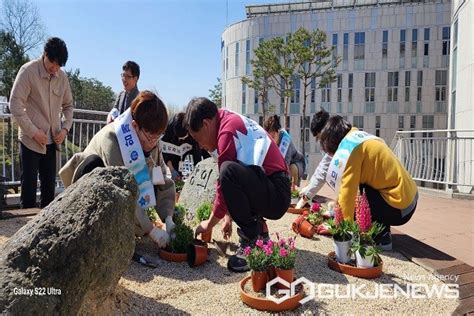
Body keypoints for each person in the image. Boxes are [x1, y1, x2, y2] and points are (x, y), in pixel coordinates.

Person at [184, 97, 290, 272]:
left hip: (277, 194)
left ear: (206, 124)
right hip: (272, 186)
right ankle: (260, 233)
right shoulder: (226, 118)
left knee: (228, 171)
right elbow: (243, 177)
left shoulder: (226, 133)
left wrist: (209, 224)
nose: (200, 146)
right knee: (231, 172)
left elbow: (225, 181)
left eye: (197, 139)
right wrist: (229, 216)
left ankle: (251, 242)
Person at [60, 91, 175, 249]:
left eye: (158, 137)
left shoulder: (152, 141)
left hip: (124, 195)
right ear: (135, 126)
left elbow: (161, 179)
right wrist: (151, 230)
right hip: (91, 192)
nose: (154, 143)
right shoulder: (113, 139)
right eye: (150, 137)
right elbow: (124, 191)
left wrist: (168, 218)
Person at [319, 115, 418, 250]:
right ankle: (383, 233)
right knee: (365, 189)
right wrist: (336, 211)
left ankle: (379, 236)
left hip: (399, 207)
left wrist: (340, 230)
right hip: (409, 200)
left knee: (359, 200)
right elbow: (345, 188)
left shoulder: (350, 151)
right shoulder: (360, 138)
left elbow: (347, 195)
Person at [10, 37, 73, 209]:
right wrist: (33, 131)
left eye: (59, 65)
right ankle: (25, 232)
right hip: (30, 141)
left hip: (53, 142)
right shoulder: (28, 71)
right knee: (29, 191)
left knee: (49, 193)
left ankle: (46, 233)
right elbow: (15, 104)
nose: (55, 69)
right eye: (53, 63)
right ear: (45, 55)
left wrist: (65, 128)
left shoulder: (62, 77)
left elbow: (69, 106)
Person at [296, 109, 332, 208]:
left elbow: (323, 172)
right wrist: (309, 186)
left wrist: (305, 197)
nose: (319, 141)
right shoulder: (330, 139)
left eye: (319, 137)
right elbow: (322, 166)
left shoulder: (333, 141)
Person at [161, 112, 209, 180]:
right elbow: (164, 150)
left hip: (190, 145)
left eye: (183, 137)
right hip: (174, 151)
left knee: (198, 156)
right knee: (176, 173)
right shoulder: (168, 129)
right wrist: (171, 169)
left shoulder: (192, 125)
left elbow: (197, 150)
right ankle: (177, 179)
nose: (182, 139)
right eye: (180, 137)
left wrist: (197, 169)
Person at [263, 115, 305, 191]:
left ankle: (291, 191)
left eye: (273, 137)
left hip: (295, 163)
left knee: (292, 169)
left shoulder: (285, 141)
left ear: (277, 132)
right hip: (282, 165)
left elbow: (285, 166)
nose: (271, 140)